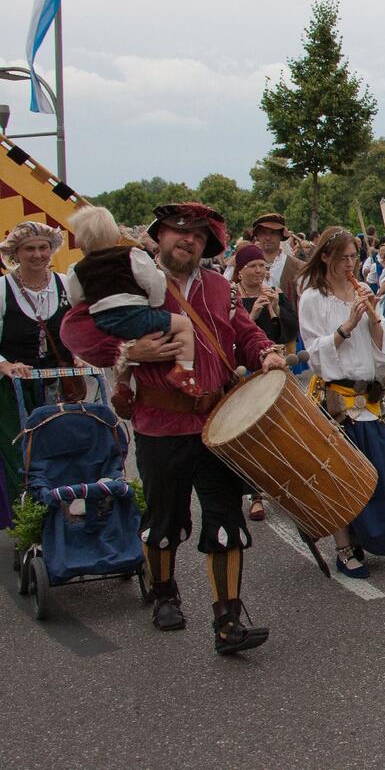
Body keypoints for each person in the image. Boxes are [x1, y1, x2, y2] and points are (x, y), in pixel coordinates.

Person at [61, 203, 284, 654]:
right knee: (164, 520)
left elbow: (243, 332)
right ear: (159, 238)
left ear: (208, 244)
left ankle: (228, 622)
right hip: (160, 423)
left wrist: (265, 353)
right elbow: (74, 332)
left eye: (199, 235)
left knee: (225, 520)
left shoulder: (221, 287)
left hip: (219, 422)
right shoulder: (129, 279)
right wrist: (128, 348)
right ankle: (164, 592)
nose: (189, 240)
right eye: (179, 232)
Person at [299, 228, 385, 578]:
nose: (350, 264)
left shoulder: (361, 290)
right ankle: (344, 547)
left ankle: (365, 537)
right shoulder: (313, 297)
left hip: (367, 398)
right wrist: (347, 325)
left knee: (376, 475)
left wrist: (372, 316)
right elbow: (314, 355)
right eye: (343, 257)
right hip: (335, 399)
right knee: (339, 476)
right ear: (325, 257)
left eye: (354, 257)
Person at [65, 205, 199, 397]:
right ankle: (183, 370)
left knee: (125, 346)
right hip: (136, 314)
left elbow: (76, 299)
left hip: (104, 323)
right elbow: (154, 283)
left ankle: (123, 384)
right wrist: (154, 302)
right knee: (184, 324)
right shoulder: (132, 255)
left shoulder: (76, 269)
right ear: (115, 235)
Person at [0, 222, 75, 529]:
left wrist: (82, 354)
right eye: (29, 248)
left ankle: (68, 511)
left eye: (43, 247)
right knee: (21, 453)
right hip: (15, 387)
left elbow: (79, 327)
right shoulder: (3, 289)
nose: (37, 254)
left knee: (67, 445)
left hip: (61, 384)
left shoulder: (65, 283)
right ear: (16, 253)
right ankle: (29, 520)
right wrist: (6, 365)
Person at [233, 243, 299, 521]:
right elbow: (232, 333)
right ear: (240, 270)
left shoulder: (275, 293)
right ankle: (254, 494)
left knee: (280, 429)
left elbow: (288, 331)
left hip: (275, 364)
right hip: (244, 370)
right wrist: (253, 315)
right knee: (251, 433)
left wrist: (275, 308)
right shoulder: (231, 296)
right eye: (253, 266)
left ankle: (286, 486)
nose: (259, 271)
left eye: (262, 266)